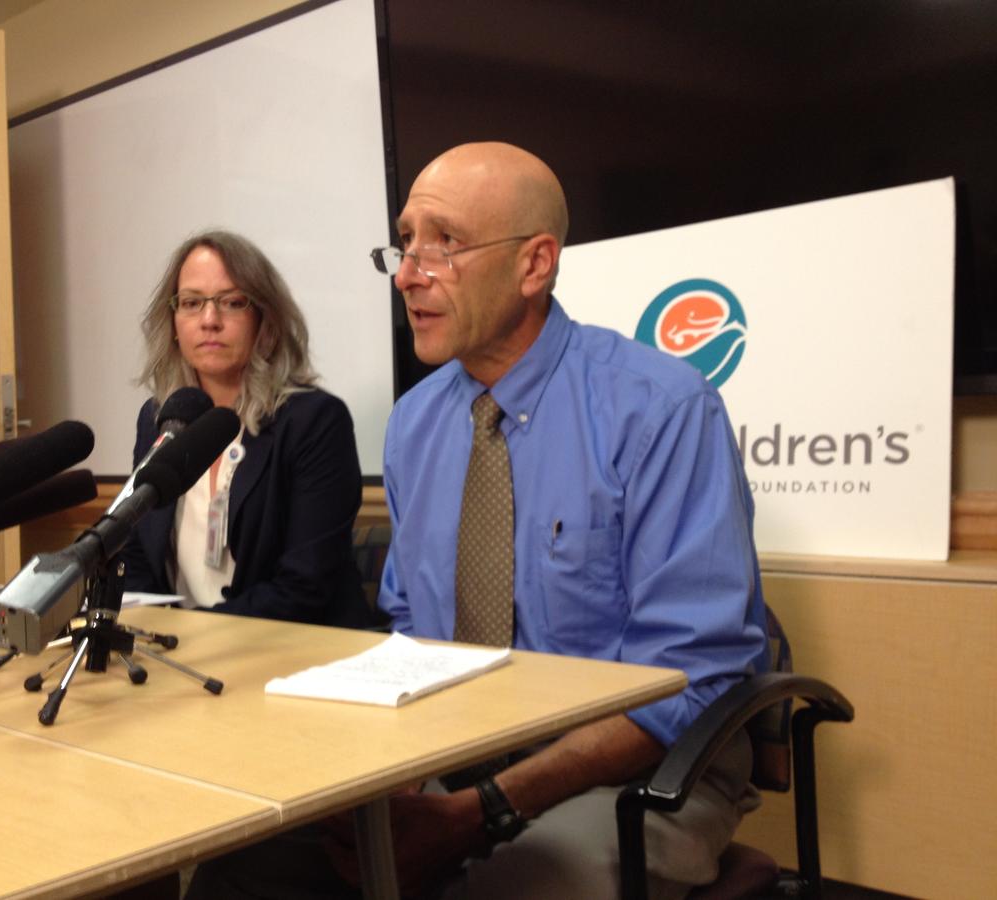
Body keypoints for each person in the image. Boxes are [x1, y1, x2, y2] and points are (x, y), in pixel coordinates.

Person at [361, 142, 771, 898]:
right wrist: (401, 783)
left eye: (444, 243)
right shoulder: (414, 424)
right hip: (456, 758)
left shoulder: (660, 410)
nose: (411, 273)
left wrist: (481, 808)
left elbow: (688, 679)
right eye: (406, 241)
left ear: (535, 265)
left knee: (511, 888)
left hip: (642, 774)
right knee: (268, 857)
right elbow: (410, 622)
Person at [119, 230, 372, 630]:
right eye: (191, 303)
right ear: (172, 322)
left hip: (292, 654)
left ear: (265, 320)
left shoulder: (314, 420)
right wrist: (155, 635)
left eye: (232, 303)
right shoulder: (160, 418)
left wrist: (191, 635)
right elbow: (134, 550)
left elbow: (304, 586)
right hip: (176, 656)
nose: (209, 320)